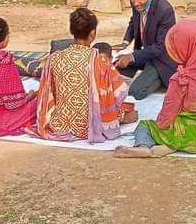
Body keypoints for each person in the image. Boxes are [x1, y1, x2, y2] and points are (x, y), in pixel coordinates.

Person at [115, 20, 196, 158]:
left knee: (145, 126)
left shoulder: (182, 78)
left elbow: (169, 111)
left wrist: (160, 126)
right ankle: (170, 147)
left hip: (184, 134)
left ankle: (145, 147)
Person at [30, 8, 132, 143]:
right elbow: (119, 92)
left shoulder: (54, 58)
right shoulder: (100, 61)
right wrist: (121, 115)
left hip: (59, 125)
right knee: (128, 111)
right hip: (89, 125)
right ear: (92, 33)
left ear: (71, 30)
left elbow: (49, 95)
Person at [113, 0, 177, 100]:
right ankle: (148, 75)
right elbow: (134, 21)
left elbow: (160, 47)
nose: (136, 3)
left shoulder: (165, 10)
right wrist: (125, 42)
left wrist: (132, 57)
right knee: (114, 68)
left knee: (135, 92)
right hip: (145, 53)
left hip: (160, 59)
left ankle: (160, 78)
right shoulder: (136, 3)